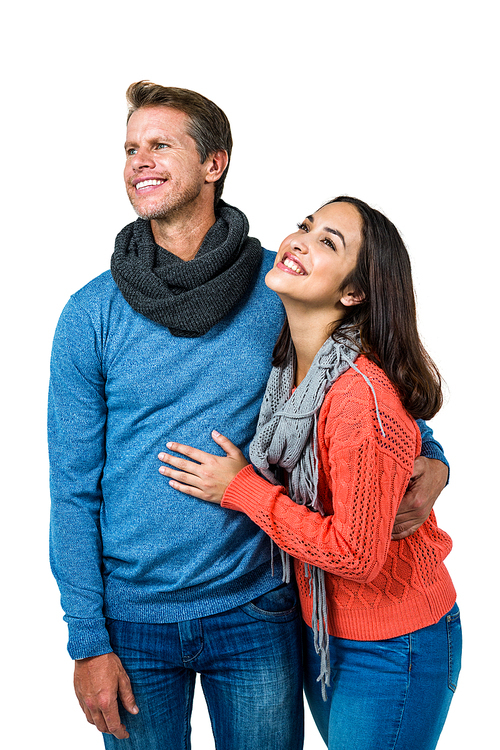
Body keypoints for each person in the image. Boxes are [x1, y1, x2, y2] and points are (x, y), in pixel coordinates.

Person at [48, 79, 448, 750]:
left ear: (214, 163)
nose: (139, 160)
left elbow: (366, 387)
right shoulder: (91, 315)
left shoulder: (280, 289)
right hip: (133, 622)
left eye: (160, 145)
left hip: (256, 610)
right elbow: (72, 488)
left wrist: (434, 459)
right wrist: (87, 642)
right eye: (129, 148)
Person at [157, 196, 461, 750]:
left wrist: (242, 490)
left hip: (395, 641)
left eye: (328, 241)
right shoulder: (291, 371)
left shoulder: (353, 399)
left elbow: (356, 555)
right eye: (305, 226)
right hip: (324, 631)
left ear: (352, 293)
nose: (299, 240)